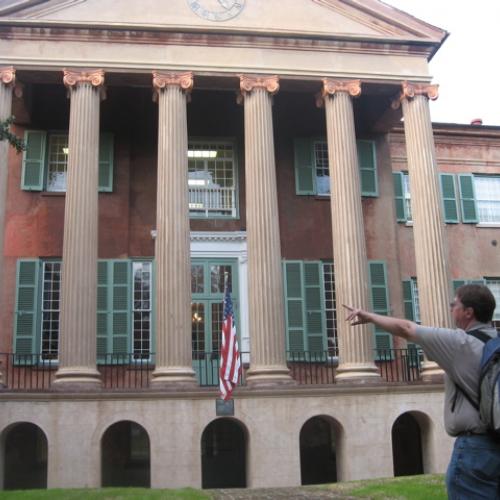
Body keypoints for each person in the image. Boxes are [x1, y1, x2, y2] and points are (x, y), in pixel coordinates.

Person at [344, 284, 500, 500]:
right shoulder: (497, 344)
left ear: (468, 312)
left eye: (454, 304)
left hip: (475, 450)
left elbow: (407, 329)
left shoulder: (460, 343)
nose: (451, 308)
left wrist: (369, 317)